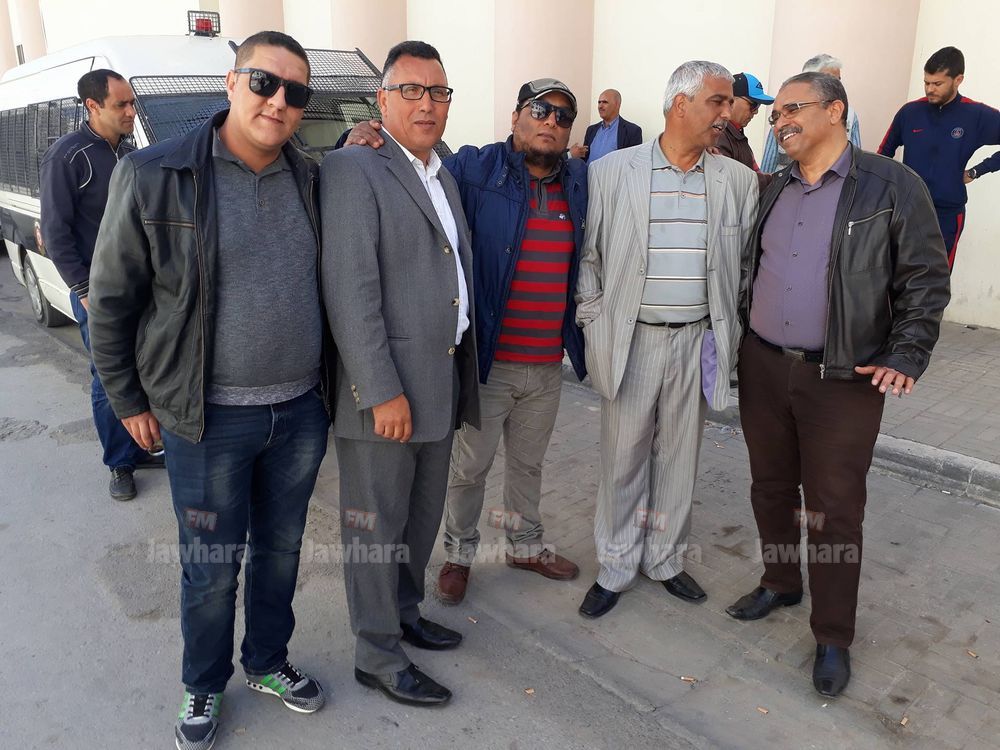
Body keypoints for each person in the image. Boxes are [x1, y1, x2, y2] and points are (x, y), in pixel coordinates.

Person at [88, 31, 331, 750]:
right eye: (264, 82)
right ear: (231, 83)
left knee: (281, 553)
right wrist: (128, 400)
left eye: (295, 92)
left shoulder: (312, 177)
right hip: (205, 420)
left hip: (299, 412)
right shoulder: (154, 174)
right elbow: (111, 301)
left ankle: (267, 662)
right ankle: (203, 681)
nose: (278, 101)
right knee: (210, 568)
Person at [727, 72, 950, 698]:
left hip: (844, 377)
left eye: (792, 109)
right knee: (771, 487)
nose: (780, 123)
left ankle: (832, 634)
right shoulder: (774, 187)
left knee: (833, 509)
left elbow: (926, 277)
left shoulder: (892, 185)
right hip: (764, 364)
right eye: (776, 115)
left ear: (836, 111)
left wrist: (907, 351)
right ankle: (780, 582)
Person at [340, 79, 589, 603]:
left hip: (548, 362)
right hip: (489, 360)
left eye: (563, 116)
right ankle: (458, 553)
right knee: (470, 467)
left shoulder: (579, 181)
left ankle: (525, 545)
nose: (551, 121)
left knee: (528, 465)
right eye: (540, 109)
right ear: (516, 115)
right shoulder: (475, 169)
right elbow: (412, 170)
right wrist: (361, 134)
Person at [321, 40, 480, 708]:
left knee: (418, 519)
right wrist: (379, 389)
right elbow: (350, 289)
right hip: (385, 391)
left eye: (438, 92)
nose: (427, 104)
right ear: (381, 100)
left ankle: (406, 612)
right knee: (374, 527)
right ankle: (377, 655)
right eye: (411, 90)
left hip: (439, 382)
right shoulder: (354, 168)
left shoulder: (441, 171)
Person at [575, 61, 757, 620]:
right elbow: (591, 256)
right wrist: (593, 318)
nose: (727, 113)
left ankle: (665, 560)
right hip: (632, 338)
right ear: (681, 104)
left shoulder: (735, 180)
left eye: (728, 103)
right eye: (717, 102)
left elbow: (744, 267)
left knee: (680, 457)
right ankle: (615, 565)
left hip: (697, 342)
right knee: (623, 457)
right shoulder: (613, 171)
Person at [39, 69, 161, 501]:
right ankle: (120, 463)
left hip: (139, 287)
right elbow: (55, 232)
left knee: (144, 366)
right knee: (109, 374)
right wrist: (84, 290)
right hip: (98, 293)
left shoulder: (127, 152)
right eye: (121, 105)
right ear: (92, 106)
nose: (131, 112)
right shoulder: (68, 157)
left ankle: (142, 447)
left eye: (132, 103)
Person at [878, 46, 1000, 270]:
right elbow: (883, 153)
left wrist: (979, 170)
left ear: (958, 80)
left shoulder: (976, 115)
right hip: (907, 210)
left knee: (936, 278)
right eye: (926, 82)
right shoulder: (910, 112)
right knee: (895, 274)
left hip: (947, 215)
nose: (929, 89)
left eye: (937, 83)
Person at [761, 54, 861, 174]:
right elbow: (768, 166)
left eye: (838, 80)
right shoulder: (783, 114)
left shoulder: (850, 115)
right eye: (828, 80)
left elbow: (855, 163)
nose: (836, 86)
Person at [715, 72, 773, 186]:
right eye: (754, 104)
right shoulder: (717, 135)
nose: (756, 112)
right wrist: (774, 179)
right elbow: (732, 180)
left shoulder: (737, 135)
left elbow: (754, 174)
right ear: (732, 100)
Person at [569, 89, 642, 162]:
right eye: (599, 102)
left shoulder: (632, 131)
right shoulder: (591, 130)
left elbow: (633, 163)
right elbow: (584, 157)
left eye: (605, 102)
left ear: (617, 105)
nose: (600, 106)